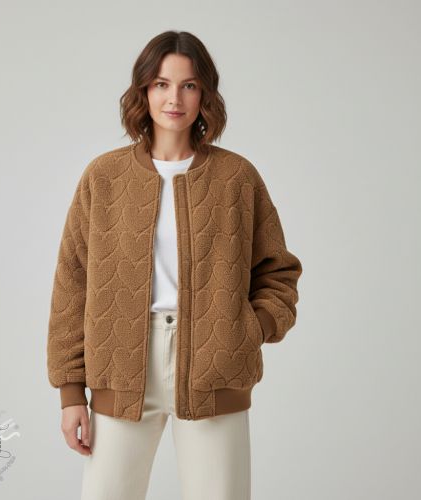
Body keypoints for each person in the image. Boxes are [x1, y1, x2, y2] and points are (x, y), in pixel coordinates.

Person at [47, 30, 303, 500]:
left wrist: (245, 328)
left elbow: (278, 272)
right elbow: (72, 284)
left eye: (188, 85)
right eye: (162, 84)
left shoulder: (236, 177)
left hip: (214, 365)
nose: (174, 99)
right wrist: (70, 392)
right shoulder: (104, 177)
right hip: (121, 366)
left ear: (204, 94)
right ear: (143, 90)